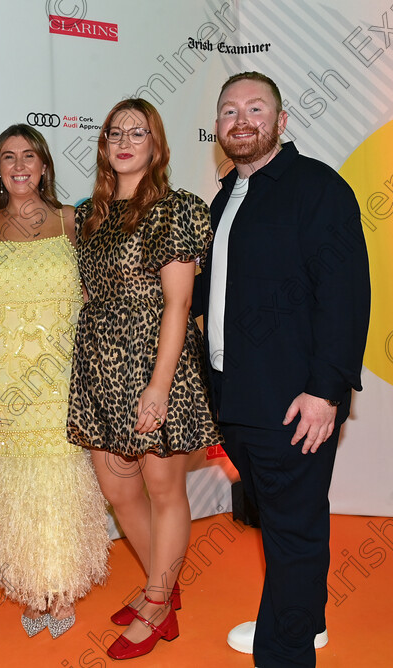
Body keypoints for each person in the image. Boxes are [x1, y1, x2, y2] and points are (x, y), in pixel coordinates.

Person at [201, 71, 370, 667]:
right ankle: (306, 618)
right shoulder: (226, 197)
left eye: (255, 108)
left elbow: (345, 295)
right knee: (287, 520)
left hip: (292, 401)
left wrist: (326, 391)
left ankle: (286, 651)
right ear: (218, 126)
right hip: (237, 397)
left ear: (281, 120)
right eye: (228, 110)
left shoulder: (318, 189)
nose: (241, 120)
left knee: (291, 532)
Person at [66, 98, 222, 660]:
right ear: (104, 145)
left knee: (162, 488)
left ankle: (158, 603)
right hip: (103, 361)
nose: (125, 141)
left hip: (159, 359)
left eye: (139, 132)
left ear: (157, 145)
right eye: (115, 133)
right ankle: (163, 582)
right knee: (118, 487)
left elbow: (179, 305)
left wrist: (158, 387)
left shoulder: (175, 208)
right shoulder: (93, 214)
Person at [0, 124, 109, 640]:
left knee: (62, 472)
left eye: (29, 155)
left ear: (45, 165)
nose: (20, 165)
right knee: (16, 476)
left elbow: (97, 288)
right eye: (8, 158)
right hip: (8, 373)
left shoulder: (73, 220)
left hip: (65, 368)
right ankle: (32, 586)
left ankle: (61, 585)